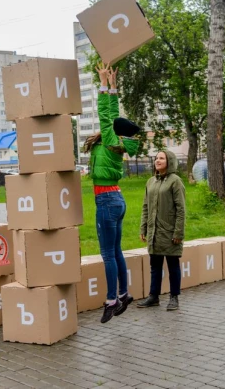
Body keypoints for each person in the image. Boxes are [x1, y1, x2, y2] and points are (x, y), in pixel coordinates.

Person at [83, 62, 141, 324]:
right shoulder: (118, 142)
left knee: (108, 253)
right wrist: (114, 86)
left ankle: (111, 299)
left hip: (106, 200)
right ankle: (124, 293)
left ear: (114, 131)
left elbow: (106, 115)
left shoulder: (110, 139)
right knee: (116, 251)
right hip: (115, 199)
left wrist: (104, 84)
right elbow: (112, 114)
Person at [137, 150, 186, 311]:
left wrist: (178, 232)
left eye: (161, 158)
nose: (157, 161)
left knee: (173, 265)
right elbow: (145, 206)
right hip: (154, 231)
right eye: (156, 158)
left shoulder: (175, 181)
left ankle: (174, 297)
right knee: (155, 266)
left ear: (169, 161)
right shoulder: (151, 181)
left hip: (170, 231)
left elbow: (181, 209)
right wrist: (143, 227)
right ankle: (153, 296)